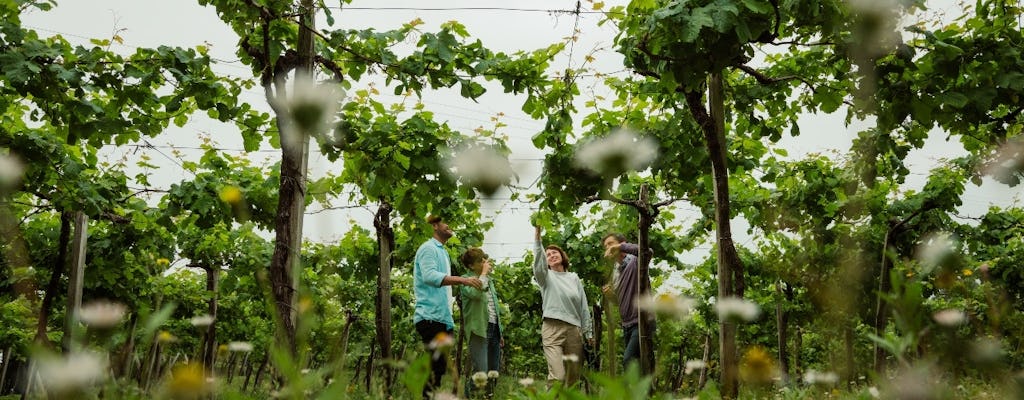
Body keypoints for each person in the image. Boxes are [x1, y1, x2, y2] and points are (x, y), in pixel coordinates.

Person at [414, 215, 483, 398]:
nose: (450, 225)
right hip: (430, 316)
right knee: (434, 367)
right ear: (435, 226)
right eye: (446, 222)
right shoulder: (428, 248)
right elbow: (429, 276)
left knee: (438, 368)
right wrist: (463, 280)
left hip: (443, 318)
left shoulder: (443, 252)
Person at [532, 225, 593, 386]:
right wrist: (538, 237)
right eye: (548, 255)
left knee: (573, 379)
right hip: (552, 328)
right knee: (557, 377)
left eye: (554, 252)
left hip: (574, 330)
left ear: (562, 255)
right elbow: (538, 264)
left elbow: (583, 307)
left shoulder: (574, 278)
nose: (551, 255)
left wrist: (588, 333)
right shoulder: (545, 277)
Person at [601, 232, 653, 371]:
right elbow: (621, 301)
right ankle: (647, 392)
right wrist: (611, 296)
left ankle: (636, 392)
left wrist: (620, 247)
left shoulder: (635, 260)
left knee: (628, 360)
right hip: (627, 324)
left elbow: (647, 251)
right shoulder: (616, 272)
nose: (608, 248)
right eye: (606, 246)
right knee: (639, 365)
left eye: (610, 244)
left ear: (621, 243)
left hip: (642, 319)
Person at [459, 247, 504, 398]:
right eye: (481, 261)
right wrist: (483, 274)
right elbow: (476, 294)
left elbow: (494, 307)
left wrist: (500, 332)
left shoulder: (489, 282)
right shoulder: (465, 280)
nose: (485, 262)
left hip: (494, 329)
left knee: (493, 372)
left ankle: (487, 397)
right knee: (482, 372)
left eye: (485, 259)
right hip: (478, 329)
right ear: (471, 266)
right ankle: (470, 394)